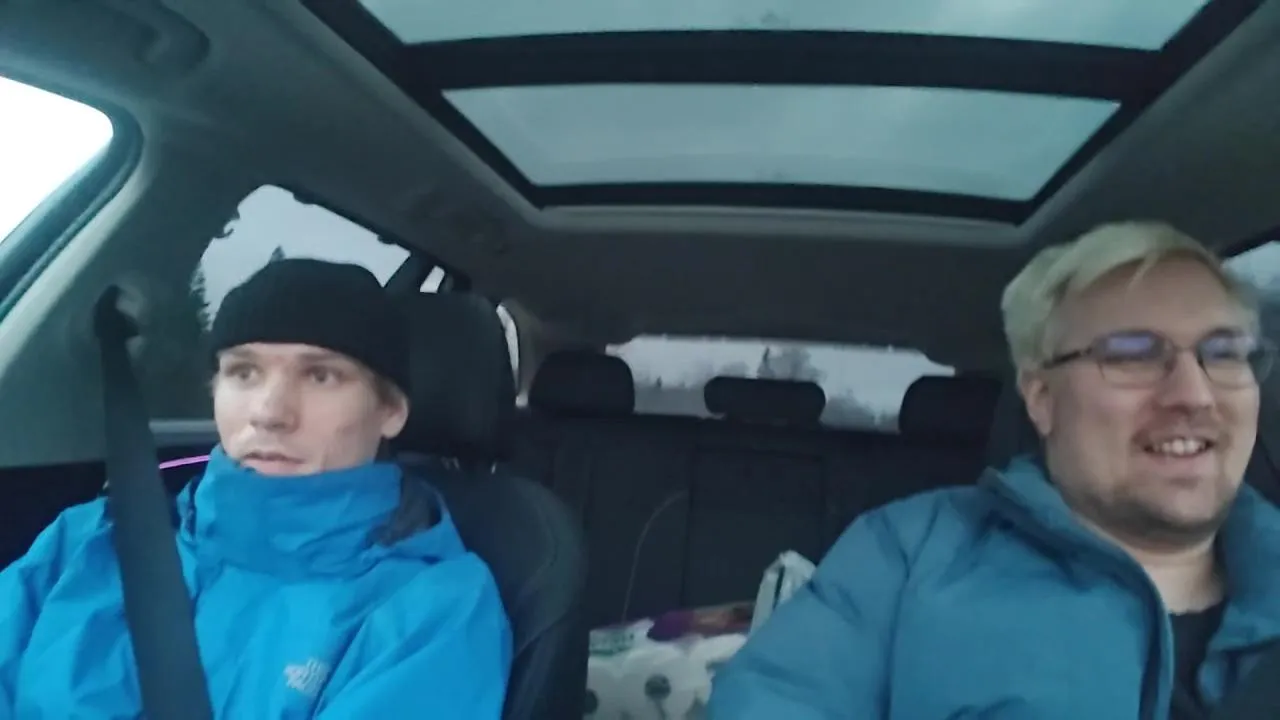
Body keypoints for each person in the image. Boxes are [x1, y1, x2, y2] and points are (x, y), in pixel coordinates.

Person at [708, 222, 1280, 719]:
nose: (1194, 394)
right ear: (1041, 398)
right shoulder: (907, 554)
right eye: (1133, 354)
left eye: (1224, 352)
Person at [0, 258, 512, 717]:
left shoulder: (437, 610)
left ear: (391, 411)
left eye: (321, 376)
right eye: (244, 372)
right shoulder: (87, 539)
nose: (269, 413)